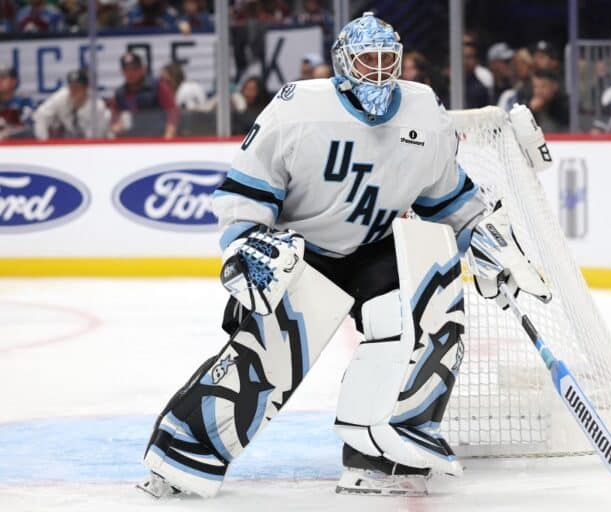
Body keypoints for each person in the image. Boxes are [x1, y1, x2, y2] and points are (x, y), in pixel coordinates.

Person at [137, 12, 551, 500]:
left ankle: (382, 451)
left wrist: (488, 247)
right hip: (301, 250)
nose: (378, 72)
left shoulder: (423, 112)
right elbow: (247, 190)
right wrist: (248, 242)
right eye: (365, 61)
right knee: (271, 357)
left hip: (378, 248)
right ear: (342, 64)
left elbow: (450, 201)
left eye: (386, 60)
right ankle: (185, 451)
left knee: (429, 309)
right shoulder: (297, 108)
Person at [110, 52, 179, 138]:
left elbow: (172, 113)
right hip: (133, 142)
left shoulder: (157, 86)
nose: (130, 73)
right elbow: (114, 119)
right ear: (122, 72)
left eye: (134, 69)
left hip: (157, 139)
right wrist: (116, 127)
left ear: (143, 69)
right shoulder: (120, 94)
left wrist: (168, 138)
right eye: (126, 70)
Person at [32, 68, 111, 140]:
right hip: (69, 142)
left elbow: (95, 138)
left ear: (86, 88)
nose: (73, 91)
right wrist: (43, 143)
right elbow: (41, 115)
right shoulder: (63, 96)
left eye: (77, 87)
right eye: (71, 87)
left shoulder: (97, 106)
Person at [0, 65, 35, 140]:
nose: (0, 81)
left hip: (17, 145)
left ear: (14, 81)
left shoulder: (24, 101)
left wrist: (7, 134)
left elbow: (28, 127)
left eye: (3, 78)